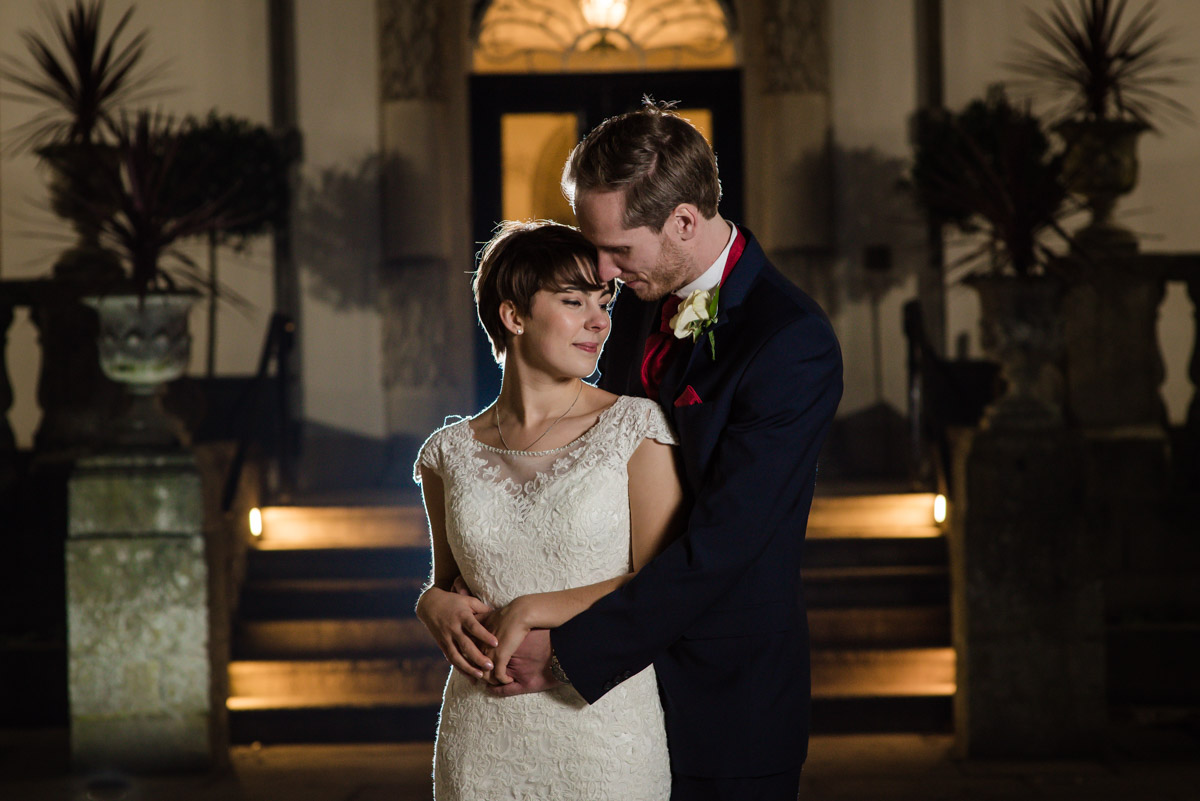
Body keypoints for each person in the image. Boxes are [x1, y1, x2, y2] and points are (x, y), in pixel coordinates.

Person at [471, 101, 844, 800]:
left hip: (725, 704)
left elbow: (723, 545)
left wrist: (567, 653)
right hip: (612, 712)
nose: (601, 275)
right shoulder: (636, 298)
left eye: (617, 249)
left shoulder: (790, 341)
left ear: (682, 222)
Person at [413, 220, 687, 800]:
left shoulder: (635, 428)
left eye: (603, 301)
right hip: (481, 734)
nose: (599, 321)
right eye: (573, 301)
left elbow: (665, 584)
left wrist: (536, 607)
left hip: (604, 731)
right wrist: (429, 601)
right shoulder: (448, 453)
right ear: (514, 317)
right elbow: (448, 583)